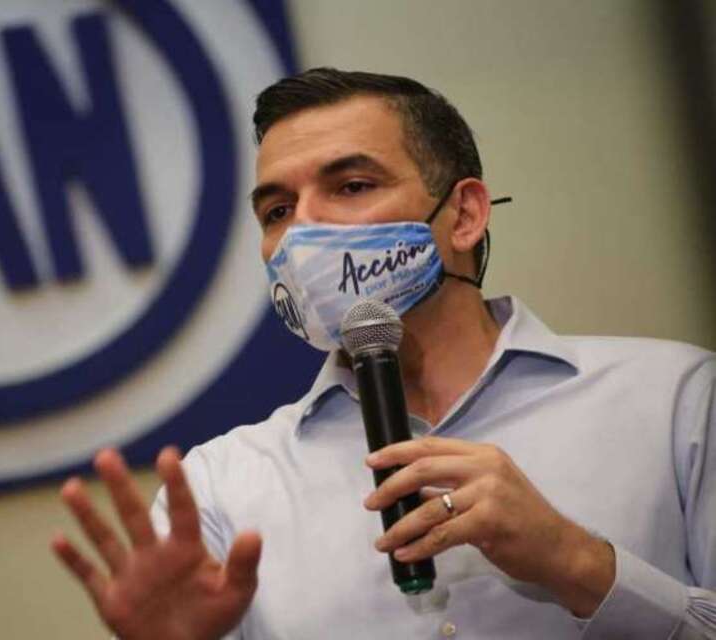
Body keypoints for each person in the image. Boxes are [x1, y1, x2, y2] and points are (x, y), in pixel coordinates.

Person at [50, 68, 716, 639]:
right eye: (277, 210)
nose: (302, 229)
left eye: (351, 186)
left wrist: (580, 564)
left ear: (463, 215)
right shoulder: (220, 488)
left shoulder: (675, 401)